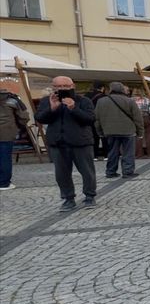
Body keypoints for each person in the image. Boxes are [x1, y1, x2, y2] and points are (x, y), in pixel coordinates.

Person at [36, 76, 98, 211]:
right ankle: (68, 198)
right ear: (53, 87)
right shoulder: (47, 101)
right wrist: (52, 109)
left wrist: (73, 108)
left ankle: (89, 196)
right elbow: (40, 118)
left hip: (81, 142)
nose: (62, 89)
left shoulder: (83, 101)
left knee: (87, 172)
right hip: (58, 142)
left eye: (65, 86)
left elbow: (90, 119)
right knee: (62, 174)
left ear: (72, 86)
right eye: (59, 86)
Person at [95, 82, 144, 179]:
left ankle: (111, 171)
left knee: (112, 152)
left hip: (110, 131)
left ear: (110, 89)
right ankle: (127, 172)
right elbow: (137, 118)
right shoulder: (129, 101)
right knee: (128, 152)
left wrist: (100, 132)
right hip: (128, 131)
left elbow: (97, 118)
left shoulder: (101, 101)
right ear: (122, 90)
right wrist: (140, 132)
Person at [0, 88, 30, 190]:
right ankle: (4, 183)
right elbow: (24, 117)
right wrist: (18, 126)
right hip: (7, 132)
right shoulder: (13, 100)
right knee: (5, 158)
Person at [86, 82, 107, 159]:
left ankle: (94, 155)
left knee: (94, 138)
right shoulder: (104, 97)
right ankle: (106, 155)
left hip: (91, 119)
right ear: (102, 88)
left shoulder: (87, 96)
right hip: (102, 119)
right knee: (104, 137)